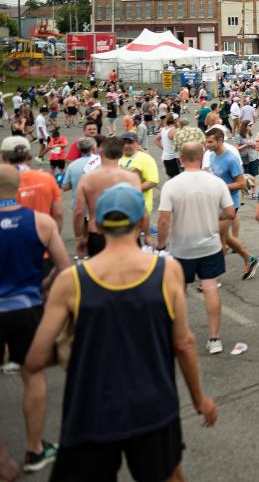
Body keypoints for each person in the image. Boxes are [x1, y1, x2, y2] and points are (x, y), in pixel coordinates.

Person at [26, 183, 217, 481]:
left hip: (90, 411)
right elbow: (184, 344)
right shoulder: (166, 272)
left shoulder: (71, 281)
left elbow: (36, 359)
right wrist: (199, 400)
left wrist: (72, 347)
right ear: (142, 221)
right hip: (153, 408)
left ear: (98, 225)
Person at [0, 166, 70, 473]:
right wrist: (43, 286)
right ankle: (34, 450)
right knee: (33, 375)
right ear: (18, 186)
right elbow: (65, 268)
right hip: (27, 306)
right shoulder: (40, 222)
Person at [157, 142, 236, 355]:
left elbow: (164, 220)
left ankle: (178, 334)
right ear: (202, 157)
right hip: (209, 244)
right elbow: (230, 212)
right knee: (210, 287)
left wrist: (160, 245)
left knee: (178, 292)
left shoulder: (172, 185)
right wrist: (212, 214)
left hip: (181, 247)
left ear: (181, 158)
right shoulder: (216, 183)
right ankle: (214, 338)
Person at [205, 127, 259, 279]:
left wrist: (220, 187)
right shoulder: (211, 156)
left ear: (220, 141)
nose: (207, 145)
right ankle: (250, 259)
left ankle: (212, 277)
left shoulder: (230, 159)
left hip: (230, 203)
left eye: (210, 142)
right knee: (224, 236)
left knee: (221, 239)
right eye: (206, 141)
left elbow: (241, 184)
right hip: (218, 202)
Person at [74, 137, 143, 258]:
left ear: (100, 153)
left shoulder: (87, 179)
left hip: (97, 232)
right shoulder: (131, 178)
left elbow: (79, 212)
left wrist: (79, 237)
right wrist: (146, 234)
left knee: (101, 274)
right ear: (121, 154)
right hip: (127, 233)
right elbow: (141, 210)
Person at [1, 136, 63, 231]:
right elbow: (58, 213)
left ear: (4, 158)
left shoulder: (3, 181)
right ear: (28, 157)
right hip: (41, 233)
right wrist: (53, 235)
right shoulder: (47, 178)